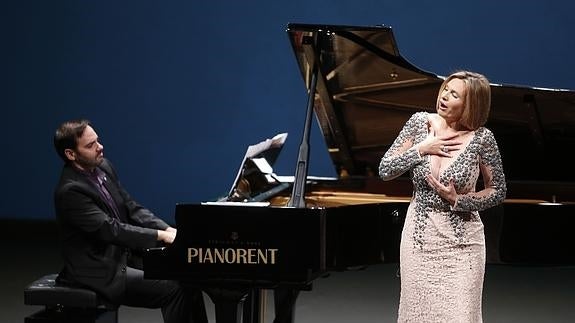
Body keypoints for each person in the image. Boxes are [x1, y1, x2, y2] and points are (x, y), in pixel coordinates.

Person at [378, 70, 506, 322]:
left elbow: (498, 189)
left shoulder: (483, 139)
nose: (444, 96)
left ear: (470, 105)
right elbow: (385, 170)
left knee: (459, 315)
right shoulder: (419, 123)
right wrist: (420, 149)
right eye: (445, 89)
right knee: (418, 314)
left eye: (454, 94)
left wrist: (460, 200)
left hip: (463, 243)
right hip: (420, 239)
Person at [53, 119, 208, 323]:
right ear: (71, 154)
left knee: (189, 278)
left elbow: (131, 208)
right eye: (90, 145)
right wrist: (161, 236)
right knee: (174, 289)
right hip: (98, 271)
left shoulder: (103, 167)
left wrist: (169, 229)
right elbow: (111, 230)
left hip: (124, 258)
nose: (100, 147)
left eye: (97, 140)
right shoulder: (70, 191)